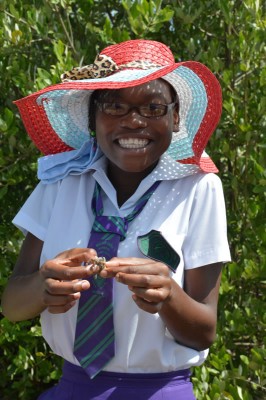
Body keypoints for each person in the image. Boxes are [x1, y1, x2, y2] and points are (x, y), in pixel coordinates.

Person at [1, 39, 231, 399]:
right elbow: (12, 305)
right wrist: (43, 287)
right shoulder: (62, 182)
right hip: (73, 389)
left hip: (159, 391)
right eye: (115, 106)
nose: (134, 120)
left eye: (154, 107)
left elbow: (203, 332)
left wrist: (168, 294)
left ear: (176, 117)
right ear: (93, 118)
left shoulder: (199, 189)